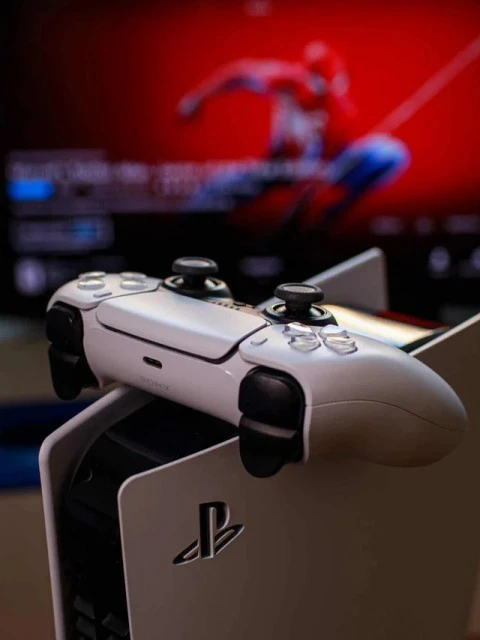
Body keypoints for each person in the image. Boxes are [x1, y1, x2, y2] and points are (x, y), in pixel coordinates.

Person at [177, 41, 409, 231]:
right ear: (306, 75)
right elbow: (238, 74)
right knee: (207, 198)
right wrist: (197, 98)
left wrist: (312, 193)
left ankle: (325, 219)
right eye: (318, 83)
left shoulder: (341, 111)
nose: (325, 90)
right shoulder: (284, 80)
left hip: (321, 170)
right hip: (279, 164)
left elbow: (322, 166)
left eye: (332, 83)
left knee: (390, 153)